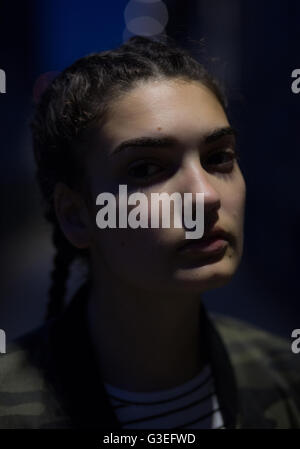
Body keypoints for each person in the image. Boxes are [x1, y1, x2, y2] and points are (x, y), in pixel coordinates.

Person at [0, 35, 300, 430]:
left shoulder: (286, 380)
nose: (205, 196)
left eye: (218, 158)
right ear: (76, 216)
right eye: (145, 169)